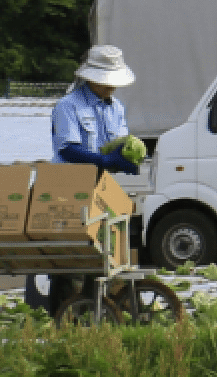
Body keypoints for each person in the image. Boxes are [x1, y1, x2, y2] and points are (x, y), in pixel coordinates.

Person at [24, 45, 141, 317]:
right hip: (68, 185)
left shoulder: (117, 109)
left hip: (101, 186)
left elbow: (121, 143)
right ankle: (62, 320)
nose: (111, 88)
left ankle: (91, 317)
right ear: (91, 77)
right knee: (71, 261)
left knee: (101, 257)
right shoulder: (68, 106)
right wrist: (105, 161)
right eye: (106, 81)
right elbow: (68, 149)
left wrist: (125, 161)